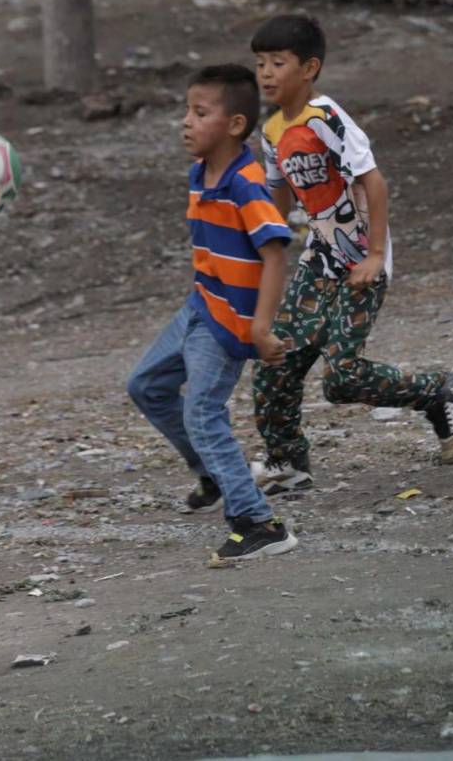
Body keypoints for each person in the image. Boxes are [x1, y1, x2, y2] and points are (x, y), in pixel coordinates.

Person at [248, 12, 453, 494]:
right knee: (275, 358)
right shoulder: (271, 132)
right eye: (260, 63)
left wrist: (374, 255)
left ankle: (440, 392)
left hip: (360, 263)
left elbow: (374, 182)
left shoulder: (327, 118)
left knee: (342, 378)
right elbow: (280, 198)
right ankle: (286, 459)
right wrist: (267, 246)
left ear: (308, 69)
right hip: (319, 260)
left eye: (278, 62)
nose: (266, 73)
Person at [126, 65, 298, 563]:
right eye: (187, 110)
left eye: (199, 113)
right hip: (200, 306)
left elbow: (275, 253)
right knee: (146, 386)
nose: (185, 122)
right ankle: (211, 470)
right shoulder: (200, 174)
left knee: (203, 411)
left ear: (235, 125)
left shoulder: (246, 183)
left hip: (228, 326)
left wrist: (261, 328)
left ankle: (259, 522)